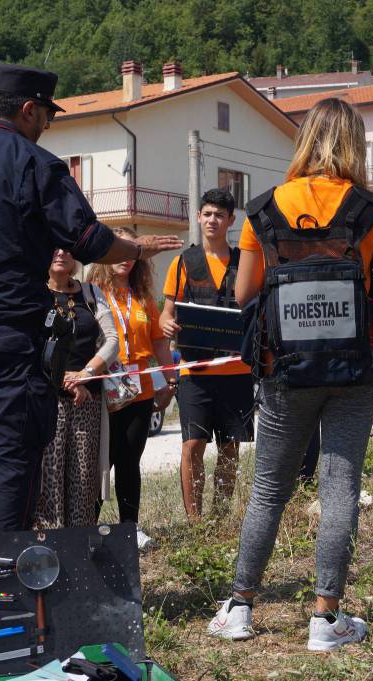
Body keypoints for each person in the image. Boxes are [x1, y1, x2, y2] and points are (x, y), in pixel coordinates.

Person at [0, 63, 181, 544]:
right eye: (47, 115)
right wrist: (136, 248)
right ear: (28, 110)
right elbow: (90, 241)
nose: (47, 126)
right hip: (11, 342)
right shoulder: (35, 164)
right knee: (11, 468)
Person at [207, 98, 373, 651]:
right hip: (355, 367)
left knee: (269, 487)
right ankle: (326, 617)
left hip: (282, 369)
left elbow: (245, 292)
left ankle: (241, 608)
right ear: (354, 144)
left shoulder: (265, 208)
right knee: (340, 485)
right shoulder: (372, 209)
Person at [160, 188, 254, 521]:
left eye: (220, 215)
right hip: (194, 372)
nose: (212, 219)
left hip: (237, 373)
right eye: (207, 213)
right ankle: (195, 522)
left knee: (230, 449)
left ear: (231, 220)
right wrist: (167, 324)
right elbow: (166, 313)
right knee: (192, 446)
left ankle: (221, 516)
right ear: (198, 217)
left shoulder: (245, 260)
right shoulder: (183, 262)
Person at [87, 231, 176, 551]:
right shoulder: (91, 294)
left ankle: (130, 528)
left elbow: (159, 343)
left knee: (129, 461)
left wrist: (169, 381)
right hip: (103, 391)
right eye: (118, 249)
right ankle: (86, 529)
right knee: (101, 463)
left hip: (139, 391)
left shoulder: (142, 297)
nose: (124, 257)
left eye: (130, 251)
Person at [32, 249, 118, 529]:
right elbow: (28, 347)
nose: (60, 253)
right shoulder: (33, 294)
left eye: (67, 249)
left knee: (82, 480)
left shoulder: (91, 294)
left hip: (87, 401)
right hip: (46, 399)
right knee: (49, 480)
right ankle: (48, 553)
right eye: (53, 247)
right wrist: (65, 382)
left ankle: (80, 551)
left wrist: (86, 374)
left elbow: (112, 341)